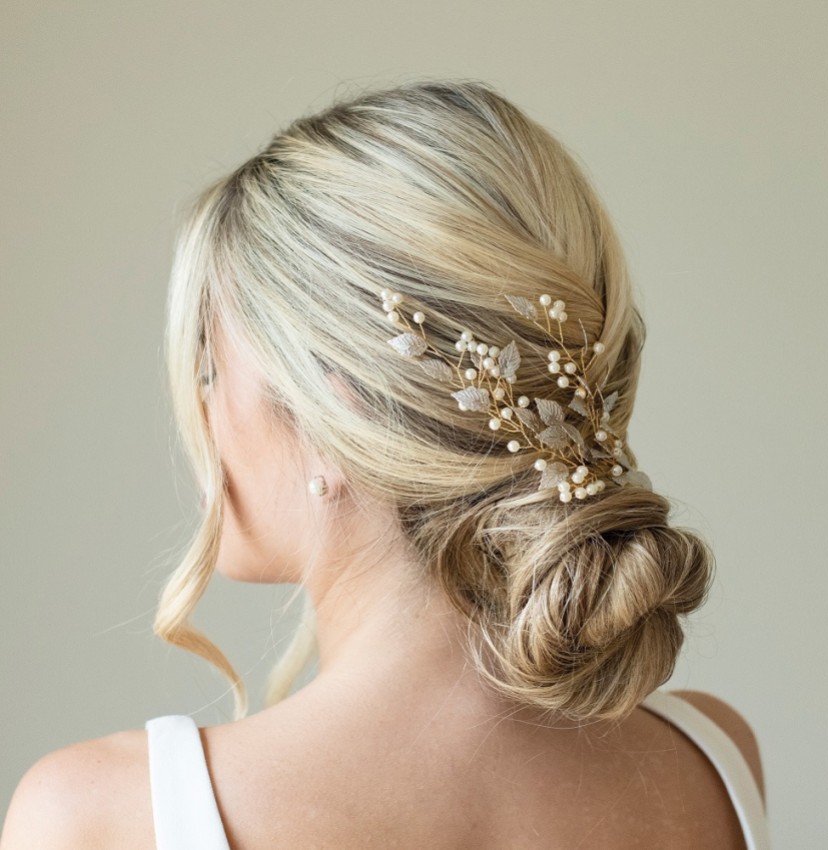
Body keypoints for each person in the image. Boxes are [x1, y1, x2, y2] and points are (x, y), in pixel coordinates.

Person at [0, 78, 769, 849]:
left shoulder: (103, 818)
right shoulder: (711, 766)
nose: (201, 414)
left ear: (342, 416)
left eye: (210, 370)